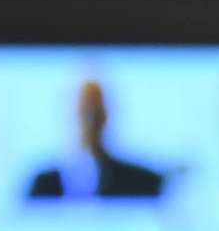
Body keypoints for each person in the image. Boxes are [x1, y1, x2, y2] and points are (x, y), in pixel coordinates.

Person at [26, 79, 167, 200]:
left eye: (96, 112)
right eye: (83, 111)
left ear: (105, 116)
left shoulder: (144, 183)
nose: (89, 120)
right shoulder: (42, 186)